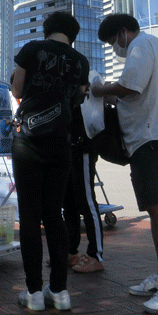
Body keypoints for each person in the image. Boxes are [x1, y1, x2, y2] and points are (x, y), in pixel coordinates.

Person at [91, 13, 158, 314]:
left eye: (113, 41)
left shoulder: (142, 44)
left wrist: (102, 90)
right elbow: (135, 92)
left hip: (156, 136)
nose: (115, 48)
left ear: (124, 32)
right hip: (151, 137)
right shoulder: (146, 46)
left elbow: (130, 87)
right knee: (153, 206)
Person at [10, 11, 89, 311]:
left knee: (30, 216)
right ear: (73, 34)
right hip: (61, 142)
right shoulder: (81, 62)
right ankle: (60, 291)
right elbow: (78, 96)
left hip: (29, 139)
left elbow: (17, 90)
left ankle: (33, 292)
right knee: (54, 214)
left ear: (47, 30)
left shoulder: (32, 50)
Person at [62, 102, 105, 274]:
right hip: (68, 147)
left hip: (83, 146)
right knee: (69, 203)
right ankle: (71, 251)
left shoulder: (83, 78)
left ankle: (96, 255)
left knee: (86, 202)